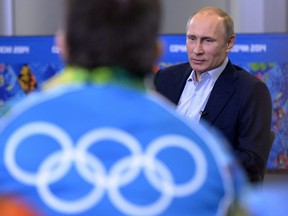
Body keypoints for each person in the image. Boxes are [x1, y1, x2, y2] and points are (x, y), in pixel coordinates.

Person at [0, 1, 248, 215]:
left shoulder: (8, 126)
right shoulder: (212, 154)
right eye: (192, 39)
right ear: (156, 52)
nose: (198, 47)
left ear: (62, 44)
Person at [154, 6, 273, 183]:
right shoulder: (165, 79)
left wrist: (195, 161)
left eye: (207, 41)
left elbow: (252, 161)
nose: (196, 50)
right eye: (192, 39)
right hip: (158, 179)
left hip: (211, 189)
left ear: (229, 43)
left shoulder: (251, 90)